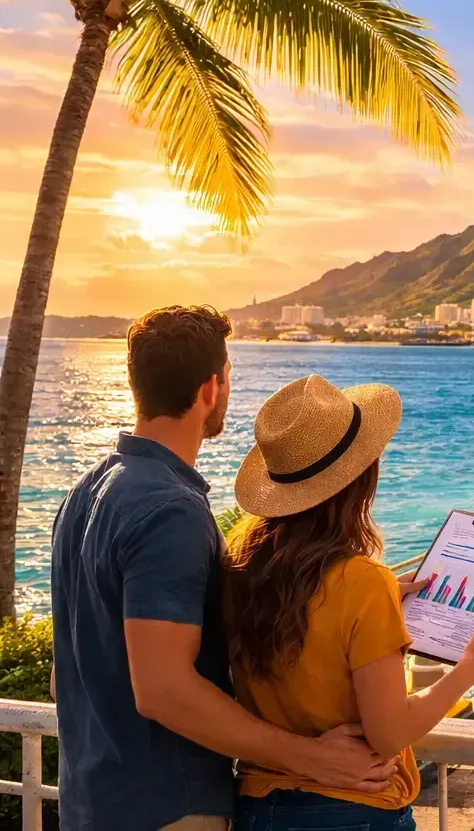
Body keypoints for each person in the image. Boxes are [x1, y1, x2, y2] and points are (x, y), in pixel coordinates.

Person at [51, 306, 397, 831]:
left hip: (91, 802)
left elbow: (65, 675)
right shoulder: (170, 510)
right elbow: (163, 689)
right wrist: (309, 756)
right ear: (211, 387)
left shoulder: (87, 493)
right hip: (168, 809)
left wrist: (350, 595)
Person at [224, 374, 474, 830]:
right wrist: (472, 667)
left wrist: (384, 599)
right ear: (361, 480)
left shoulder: (242, 568)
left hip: (258, 806)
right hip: (350, 809)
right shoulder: (361, 582)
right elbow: (390, 733)